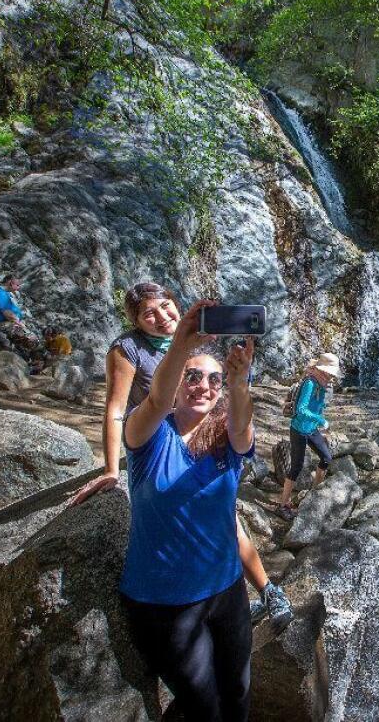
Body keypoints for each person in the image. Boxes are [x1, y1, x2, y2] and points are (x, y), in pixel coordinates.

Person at [69, 282, 290, 632]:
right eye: (149, 313)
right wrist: (111, 469)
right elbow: (115, 409)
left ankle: (263, 590)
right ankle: (243, 594)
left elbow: (216, 389)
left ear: (177, 305)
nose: (161, 317)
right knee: (217, 519)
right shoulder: (128, 349)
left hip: (206, 438)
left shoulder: (195, 338)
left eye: (166, 307)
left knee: (223, 515)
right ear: (136, 321)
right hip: (155, 444)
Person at [118, 300, 254, 720]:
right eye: (192, 377)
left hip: (227, 591)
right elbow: (157, 400)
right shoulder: (148, 436)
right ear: (177, 382)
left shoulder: (225, 441)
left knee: (238, 695)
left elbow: (242, 429)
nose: (203, 386)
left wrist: (239, 383)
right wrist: (181, 343)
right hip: (164, 603)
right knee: (203, 709)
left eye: (213, 380)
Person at [275, 353, 341, 518]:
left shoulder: (322, 384)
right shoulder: (310, 383)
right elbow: (301, 410)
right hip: (298, 429)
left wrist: (319, 421)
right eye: (330, 372)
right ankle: (283, 505)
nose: (332, 376)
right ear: (322, 370)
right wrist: (320, 419)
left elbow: (317, 407)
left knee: (326, 458)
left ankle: (314, 493)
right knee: (296, 467)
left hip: (311, 429)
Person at [0, 274, 41, 362]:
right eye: (17, 285)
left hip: (8, 322)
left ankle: (16, 353)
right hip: (0, 323)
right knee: (33, 340)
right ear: (10, 283)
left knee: (25, 341)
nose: (18, 287)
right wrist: (19, 323)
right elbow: (7, 313)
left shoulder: (4, 293)